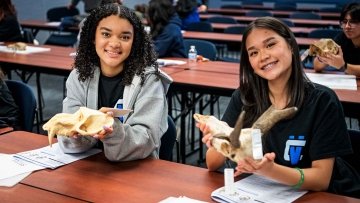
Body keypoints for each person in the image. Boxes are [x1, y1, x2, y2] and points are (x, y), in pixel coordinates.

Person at [196, 17, 360, 198]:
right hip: (265, 193)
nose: (263, 56)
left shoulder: (322, 101)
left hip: (325, 195)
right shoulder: (245, 97)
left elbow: (321, 180)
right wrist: (219, 139)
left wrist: (270, 170)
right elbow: (212, 164)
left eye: (270, 45)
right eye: (253, 53)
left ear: (290, 45)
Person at [58, 3, 172, 162]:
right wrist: (75, 135)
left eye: (125, 37)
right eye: (106, 34)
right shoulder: (78, 77)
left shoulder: (149, 80)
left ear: (135, 42)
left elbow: (147, 139)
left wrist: (113, 131)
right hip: (88, 168)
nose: (114, 43)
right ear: (93, 37)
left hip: (135, 171)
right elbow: (67, 136)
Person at [313, 2, 360, 77]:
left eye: (353, 22)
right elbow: (317, 67)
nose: (347, 26)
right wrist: (322, 56)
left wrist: (343, 66)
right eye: (344, 22)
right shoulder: (342, 38)